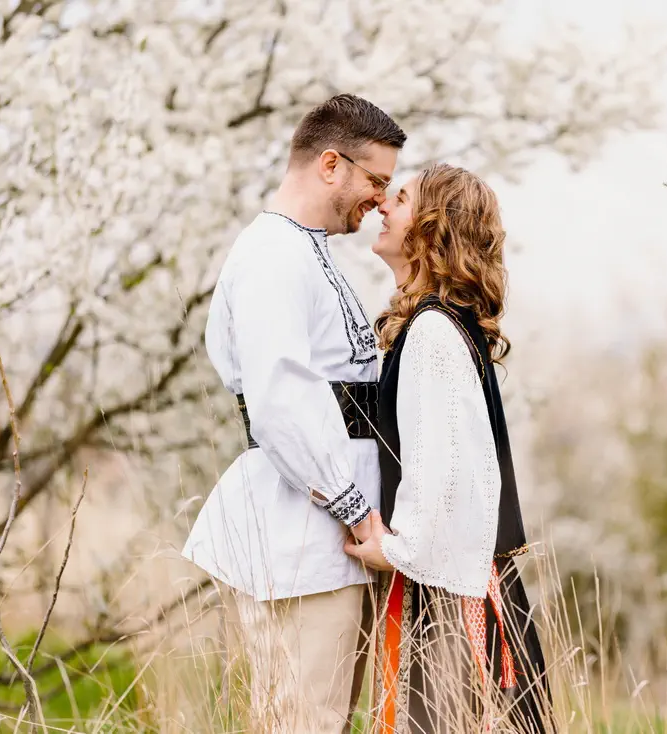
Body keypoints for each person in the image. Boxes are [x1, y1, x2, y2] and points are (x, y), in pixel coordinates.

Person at [181, 94, 405, 733]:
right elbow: (280, 402)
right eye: (375, 181)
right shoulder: (274, 256)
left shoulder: (307, 251)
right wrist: (357, 512)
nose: (379, 201)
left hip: (333, 541)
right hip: (305, 539)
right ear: (331, 164)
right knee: (304, 723)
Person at [345, 163, 552, 733]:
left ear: (433, 230)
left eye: (402, 199)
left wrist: (396, 549)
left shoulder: (434, 335)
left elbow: (445, 470)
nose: (383, 204)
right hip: (462, 580)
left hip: (451, 599)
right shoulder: (441, 327)